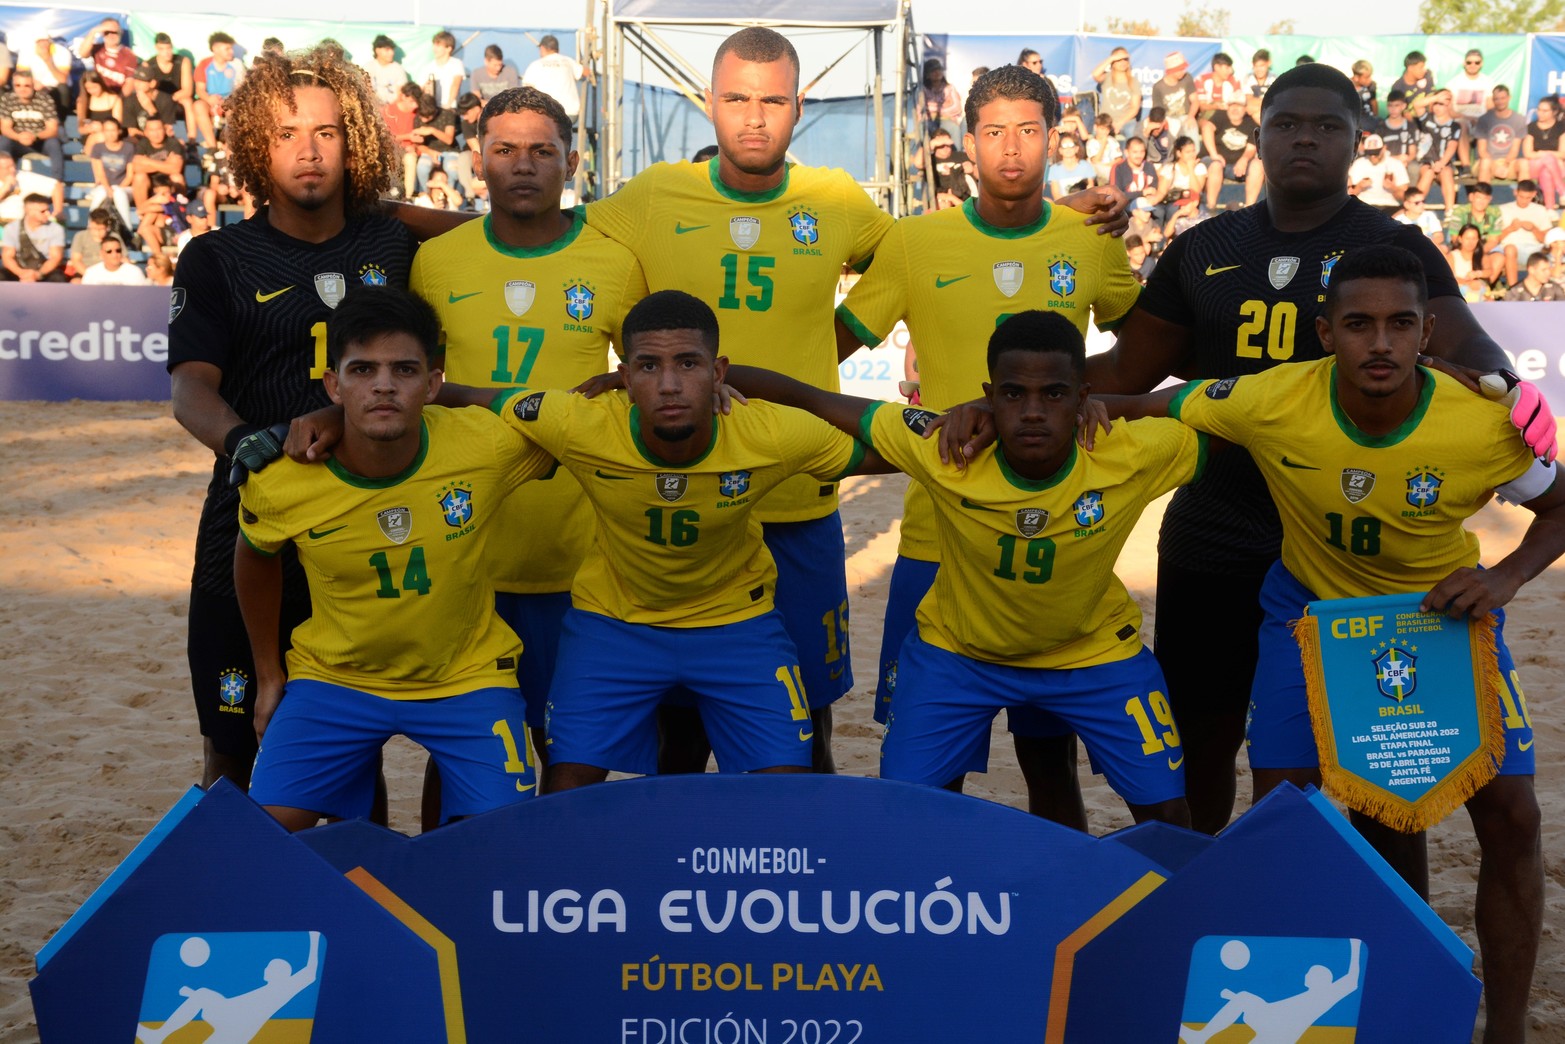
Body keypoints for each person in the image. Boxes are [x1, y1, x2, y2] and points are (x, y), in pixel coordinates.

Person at [1049, 63, 1553, 852]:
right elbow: (1126, 374)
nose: (1304, 138)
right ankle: (1204, 895)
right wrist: (1022, 390)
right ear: (1258, 134)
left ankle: (1373, 929)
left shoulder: (1392, 248)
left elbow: (1462, 341)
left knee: (1380, 768)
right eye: (1286, 123)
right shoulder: (1203, 246)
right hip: (1216, 529)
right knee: (1203, 745)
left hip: (1350, 553)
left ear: (1358, 139)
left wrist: (1502, 386)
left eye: (1326, 125)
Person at [1106, 247, 1562, 1044]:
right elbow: (1148, 404)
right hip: (1308, 618)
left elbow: (1560, 505)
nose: (1378, 343)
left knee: (1512, 813)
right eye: (1357, 325)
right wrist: (1022, 402)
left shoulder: (1482, 424)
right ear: (1325, 333)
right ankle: (1301, 1021)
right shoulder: (1268, 399)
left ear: (1426, 333)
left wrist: (1505, 577)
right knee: (1287, 817)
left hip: (1439, 621)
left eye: (1397, 324)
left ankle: (1508, 1030)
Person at [732, 311, 1200, 827]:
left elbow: (1242, 419)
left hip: (1091, 654)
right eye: (1013, 394)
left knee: (1169, 817)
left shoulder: (1135, 453)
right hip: (958, 656)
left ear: (1083, 397)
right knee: (905, 814)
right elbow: (810, 398)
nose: (1034, 412)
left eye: (1055, 395)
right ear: (988, 395)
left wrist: (1127, 407)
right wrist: (707, 378)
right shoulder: (946, 446)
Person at [833, 64, 1142, 824]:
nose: (1011, 149)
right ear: (967, 143)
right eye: (994, 131)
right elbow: (830, 346)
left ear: (1053, 138)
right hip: (940, 540)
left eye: (1028, 131)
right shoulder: (912, 243)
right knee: (926, 782)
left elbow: (1146, 348)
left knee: (1050, 767)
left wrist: (1093, 399)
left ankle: (1060, 924)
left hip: (1055, 539)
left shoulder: (1087, 240)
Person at [496, 290, 881, 792]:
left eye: (689, 364)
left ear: (720, 372)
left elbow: (892, 450)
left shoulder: (767, 433)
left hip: (736, 623)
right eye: (649, 367)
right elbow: (472, 398)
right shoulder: (579, 421)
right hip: (614, 623)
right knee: (566, 785)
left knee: (788, 789)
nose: (670, 385)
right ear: (625, 376)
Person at [167, 44, 418, 794]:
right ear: (253, 144)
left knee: (352, 748)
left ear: (356, 143)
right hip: (247, 529)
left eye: (327, 132)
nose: (308, 152)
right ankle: (229, 897)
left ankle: (349, 903)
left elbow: (499, 226)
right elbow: (190, 390)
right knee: (233, 741)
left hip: (364, 528)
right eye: (285, 134)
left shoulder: (396, 242)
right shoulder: (216, 257)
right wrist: (249, 442)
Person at [236, 287, 546, 832]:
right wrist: (267, 674)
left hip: (466, 676)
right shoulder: (282, 480)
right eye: (362, 370)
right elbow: (254, 555)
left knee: (504, 840)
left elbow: (582, 425)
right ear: (332, 384)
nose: (383, 384)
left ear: (432, 383)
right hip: (336, 679)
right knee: (266, 835)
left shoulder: (486, 446)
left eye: (404, 370)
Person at [137, 932, 321, 1044]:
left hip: (237, 1027)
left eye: (271, 967)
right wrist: (192, 996)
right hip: (230, 1013)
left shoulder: (285, 988)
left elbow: (311, 972)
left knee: (203, 996)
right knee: (203, 994)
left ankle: (159, 1036)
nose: (266, 968)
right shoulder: (267, 990)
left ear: (281, 973)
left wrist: (314, 940)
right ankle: (158, 1036)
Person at [0, 69, 65, 182]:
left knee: (54, 143)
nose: (22, 89)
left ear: (33, 85)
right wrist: (19, 137)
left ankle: (57, 182)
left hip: (41, 141)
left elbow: (52, 129)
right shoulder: (7, 99)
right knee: (3, 141)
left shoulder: (45, 99)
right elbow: (5, 128)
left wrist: (34, 136)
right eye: (18, 85)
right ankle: (3, 181)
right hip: (17, 140)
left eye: (26, 85)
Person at [1200, 96, 1262, 209]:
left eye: (1239, 106)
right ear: (1228, 107)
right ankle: (1211, 209)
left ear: (1245, 109)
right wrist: (1214, 154)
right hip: (1216, 162)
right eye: (1232, 106)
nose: (1235, 109)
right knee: (1215, 166)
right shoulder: (1220, 115)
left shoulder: (1250, 122)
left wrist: (1244, 159)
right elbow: (1206, 128)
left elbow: (1251, 148)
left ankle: (1250, 208)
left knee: (1258, 164)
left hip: (1238, 166)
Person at [1495, 179, 1555, 286]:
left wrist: (1533, 229)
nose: (1524, 201)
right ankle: (1513, 289)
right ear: (1515, 193)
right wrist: (1510, 228)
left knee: (1551, 253)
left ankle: (1545, 290)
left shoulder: (1540, 210)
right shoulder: (1503, 209)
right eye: (1521, 197)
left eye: (1528, 198)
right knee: (1510, 249)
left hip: (1535, 249)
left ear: (1534, 194)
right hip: (1510, 249)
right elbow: (1495, 239)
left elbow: (1546, 240)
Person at [146, 33, 201, 149]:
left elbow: (187, 90)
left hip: (178, 99)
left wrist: (170, 99)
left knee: (188, 102)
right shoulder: (149, 65)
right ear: (156, 49)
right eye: (162, 49)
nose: (167, 52)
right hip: (159, 101)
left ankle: (192, 142)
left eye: (169, 48)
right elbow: (146, 90)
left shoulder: (182, 62)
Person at [522, 34, 587, 126]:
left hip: (547, 113)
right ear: (557, 49)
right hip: (570, 113)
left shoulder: (536, 65)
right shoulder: (568, 61)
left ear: (542, 48)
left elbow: (527, 89)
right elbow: (586, 72)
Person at [1, 192, 65, 281]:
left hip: (44, 270)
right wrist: (21, 273)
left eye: (48, 210)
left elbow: (55, 257)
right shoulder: (11, 228)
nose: (47, 214)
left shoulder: (56, 229)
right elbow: (7, 256)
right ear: (28, 211)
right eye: (43, 211)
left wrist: (38, 274)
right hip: (19, 269)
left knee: (57, 278)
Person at [87, 116, 136, 229]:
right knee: (100, 194)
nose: (110, 134)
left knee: (119, 193)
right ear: (103, 132)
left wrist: (117, 189)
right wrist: (109, 188)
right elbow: (100, 173)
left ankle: (127, 229)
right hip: (104, 186)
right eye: (107, 130)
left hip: (124, 187)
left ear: (119, 131)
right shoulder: (98, 148)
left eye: (113, 130)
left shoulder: (129, 148)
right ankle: (90, 226)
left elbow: (130, 175)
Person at [193, 32, 244, 140]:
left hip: (230, 102)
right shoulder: (204, 64)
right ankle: (212, 146)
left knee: (233, 109)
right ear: (215, 48)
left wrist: (227, 101)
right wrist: (209, 98)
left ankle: (230, 145)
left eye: (231, 48)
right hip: (210, 101)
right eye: (227, 48)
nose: (231, 52)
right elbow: (199, 89)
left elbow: (241, 90)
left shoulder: (236, 64)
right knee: (198, 106)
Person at [1415, 89, 1461, 207]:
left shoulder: (1454, 126)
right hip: (1426, 161)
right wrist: (1435, 98)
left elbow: (1452, 146)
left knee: (1446, 173)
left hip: (1443, 163)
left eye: (1441, 104)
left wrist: (1441, 163)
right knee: (1428, 173)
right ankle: (1415, 205)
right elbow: (1417, 104)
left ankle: (1449, 211)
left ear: (1449, 105)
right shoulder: (1427, 119)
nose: (1437, 107)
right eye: (1435, 104)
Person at [128, 117, 185, 211]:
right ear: (145, 132)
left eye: (159, 129)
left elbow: (175, 169)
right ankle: (142, 211)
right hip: (150, 183)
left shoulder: (173, 144)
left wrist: (147, 162)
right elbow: (137, 168)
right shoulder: (142, 144)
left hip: (168, 183)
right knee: (139, 177)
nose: (156, 133)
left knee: (177, 177)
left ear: (164, 130)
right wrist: (167, 163)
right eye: (152, 130)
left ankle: (179, 210)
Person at [1474, 85, 1526, 185]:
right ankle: (1483, 197)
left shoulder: (1519, 119)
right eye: (1496, 99)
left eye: (1503, 98)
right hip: (1487, 162)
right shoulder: (1484, 119)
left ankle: (1526, 199)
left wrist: (1505, 165)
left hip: (1508, 163)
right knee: (1485, 162)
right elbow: (1482, 150)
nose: (1500, 102)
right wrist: (1495, 167)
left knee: (1523, 164)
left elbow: (1515, 149)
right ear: (1493, 100)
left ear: (1509, 98)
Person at [1347, 134, 1408, 213]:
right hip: (1365, 205)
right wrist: (1359, 187)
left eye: (1376, 153)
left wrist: (1393, 188)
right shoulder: (1359, 164)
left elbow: (1406, 198)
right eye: (1369, 153)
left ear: (1384, 149)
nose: (1372, 156)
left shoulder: (1396, 164)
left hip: (1390, 206)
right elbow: (1348, 195)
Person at [1523, 96, 1565, 210]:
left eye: (1545, 111)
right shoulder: (1531, 127)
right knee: (1549, 159)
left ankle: (1549, 209)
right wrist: (1545, 155)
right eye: (1539, 109)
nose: (1540, 113)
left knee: (1546, 171)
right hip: (1534, 166)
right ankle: (1562, 191)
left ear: (1555, 112)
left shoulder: (1561, 127)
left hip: (1555, 169)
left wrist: (1542, 153)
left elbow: (1563, 153)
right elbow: (1528, 153)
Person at [79, 19, 138, 97]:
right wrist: (93, 31)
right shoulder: (98, 49)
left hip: (118, 96)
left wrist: (118, 101)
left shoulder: (129, 55)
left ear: (121, 32)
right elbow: (83, 53)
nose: (111, 35)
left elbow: (130, 83)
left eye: (114, 32)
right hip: (98, 95)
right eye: (107, 32)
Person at [1093, 46, 1141, 138]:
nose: (1122, 62)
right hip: (1106, 120)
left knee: (1133, 136)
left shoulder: (1134, 82)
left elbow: (1135, 108)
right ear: (1113, 62)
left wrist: (1119, 123)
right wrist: (1112, 58)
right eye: (1119, 60)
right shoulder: (1107, 77)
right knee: (1096, 136)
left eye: (1125, 59)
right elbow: (1095, 74)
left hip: (1126, 122)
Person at [1150, 52, 1197, 141]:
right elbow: (1158, 110)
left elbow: (1195, 100)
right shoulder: (1158, 87)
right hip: (1168, 117)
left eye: (1183, 68)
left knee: (1191, 127)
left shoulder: (1187, 78)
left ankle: (1194, 154)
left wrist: (1191, 117)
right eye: (1179, 69)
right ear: (1170, 71)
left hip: (1185, 115)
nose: (1182, 72)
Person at [75, 70, 123, 151]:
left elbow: (118, 124)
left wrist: (103, 128)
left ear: (101, 84)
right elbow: (81, 129)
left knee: (100, 137)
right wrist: (90, 128)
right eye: (88, 88)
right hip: (90, 135)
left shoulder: (114, 99)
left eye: (95, 87)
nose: (92, 91)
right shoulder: (82, 101)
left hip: (110, 134)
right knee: (96, 137)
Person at [421, 31, 467, 110]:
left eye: (438, 45)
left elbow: (456, 84)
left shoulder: (456, 64)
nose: (434, 48)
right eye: (434, 45)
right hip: (432, 109)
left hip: (450, 108)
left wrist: (448, 104)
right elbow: (421, 87)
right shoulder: (428, 67)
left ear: (448, 48)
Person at [917, 58, 963, 136]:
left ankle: (956, 149)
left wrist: (935, 110)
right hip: (929, 121)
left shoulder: (950, 88)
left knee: (954, 128)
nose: (937, 72)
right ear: (927, 75)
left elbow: (957, 108)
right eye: (933, 71)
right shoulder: (922, 90)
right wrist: (946, 106)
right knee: (922, 128)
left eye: (939, 69)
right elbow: (921, 108)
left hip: (948, 120)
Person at [81, 233, 148, 284]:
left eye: (118, 250)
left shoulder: (134, 272)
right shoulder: (91, 273)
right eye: (109, 251)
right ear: (101, 253)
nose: (114, 254)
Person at [1192, 52, 1242, 118]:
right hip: (1206, 117)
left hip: (1228, 116)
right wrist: (1216, 106)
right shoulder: (1201, 80)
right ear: (1216, 67)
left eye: (1230, 68)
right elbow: (1202, 107)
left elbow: (1238, 104)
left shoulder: (1235, 81)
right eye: (1227, 68)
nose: (1230, 71)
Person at [364, 34, 407, 106]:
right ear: (377, 50)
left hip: (392, 109)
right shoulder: (368, 68)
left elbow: (402, 94)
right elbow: (364, 91)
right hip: (372, 108)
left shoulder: (398, 69)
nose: (391, 53)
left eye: (392, 49)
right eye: (387, 50)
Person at [1242, 49, 1275, 121]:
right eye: (1255, 66)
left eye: (1262, 66)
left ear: (1269, 63)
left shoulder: (1274, 79)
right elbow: (1249, 102)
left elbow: (1276, 102)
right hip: (1254, 115)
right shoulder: (1248, 78)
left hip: (1270, 112)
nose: (1258, 69)